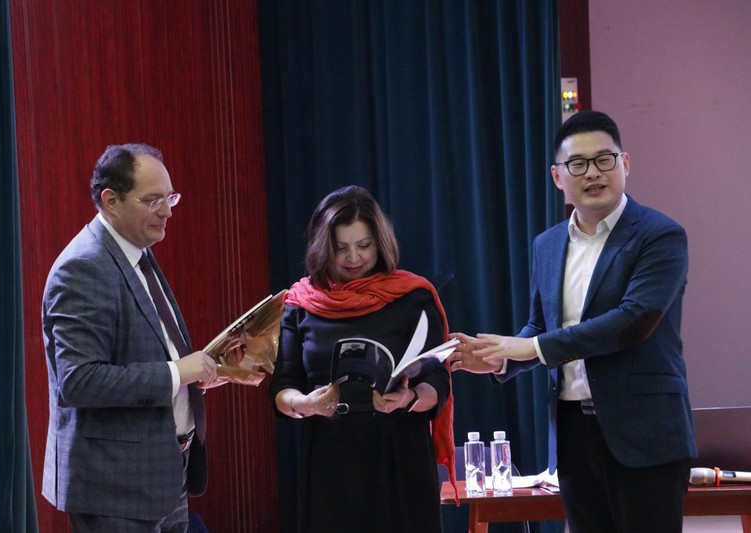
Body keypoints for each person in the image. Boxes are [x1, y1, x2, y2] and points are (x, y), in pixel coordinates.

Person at [451, 110, 697, 533]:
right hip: (571, 434)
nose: (593, 173)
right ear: (557, 176)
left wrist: (530, 347)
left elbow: (633, 321)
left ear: (625, 164)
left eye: (604, 159)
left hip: (645, 435)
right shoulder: (546, 245)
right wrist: (501, 358)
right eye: (577, 164)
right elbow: (541, 326)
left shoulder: (660, 235)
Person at [42, 143, 221, 532]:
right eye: (153, 200)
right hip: (114, 489)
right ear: (111, 201)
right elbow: (80, 380)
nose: (167, 211)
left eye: (170, 197)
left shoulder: (136, 249)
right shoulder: (83, 267)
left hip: (166, 473)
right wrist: (178, 372)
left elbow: (147, 350)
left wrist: (202, 374)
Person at [270, 185, 455, 533]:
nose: (353, 257)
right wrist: (306, 403)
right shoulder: (301, 303)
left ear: (379, 243)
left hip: (400, 452)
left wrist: (409, 397)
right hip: (330, 458)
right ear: (323, 248)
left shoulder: (412, 296)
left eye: (364, 245)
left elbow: (438, 381)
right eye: (341, 248)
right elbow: (283, 386)